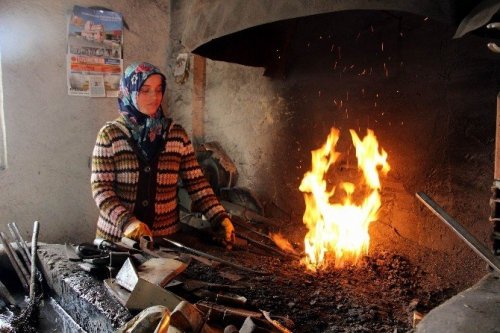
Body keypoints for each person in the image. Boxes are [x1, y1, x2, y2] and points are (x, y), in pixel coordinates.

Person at [91, 62, 235, 248]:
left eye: (159, 90)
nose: (154, 97)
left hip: (164, 241)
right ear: (129, 91)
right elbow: (101, 189)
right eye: (145, 90)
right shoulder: (110, 135)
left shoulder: (176, 135)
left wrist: (219, 217)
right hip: (117, 241)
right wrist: (127, 222)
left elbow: (197, 184)